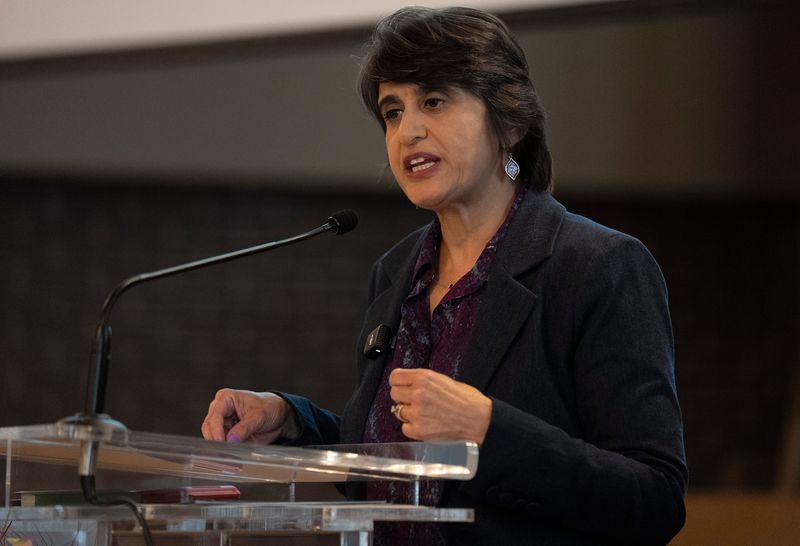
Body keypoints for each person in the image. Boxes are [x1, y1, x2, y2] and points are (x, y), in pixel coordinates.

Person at [201, 6, 688, 545]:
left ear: (509, 119)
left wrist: (487, 431)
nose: (407, 131)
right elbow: (395, 467)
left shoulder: (597, 266)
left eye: (433, 101)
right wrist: (292, 421)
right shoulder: (396, 274)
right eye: (392, 112)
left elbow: (654, 499)